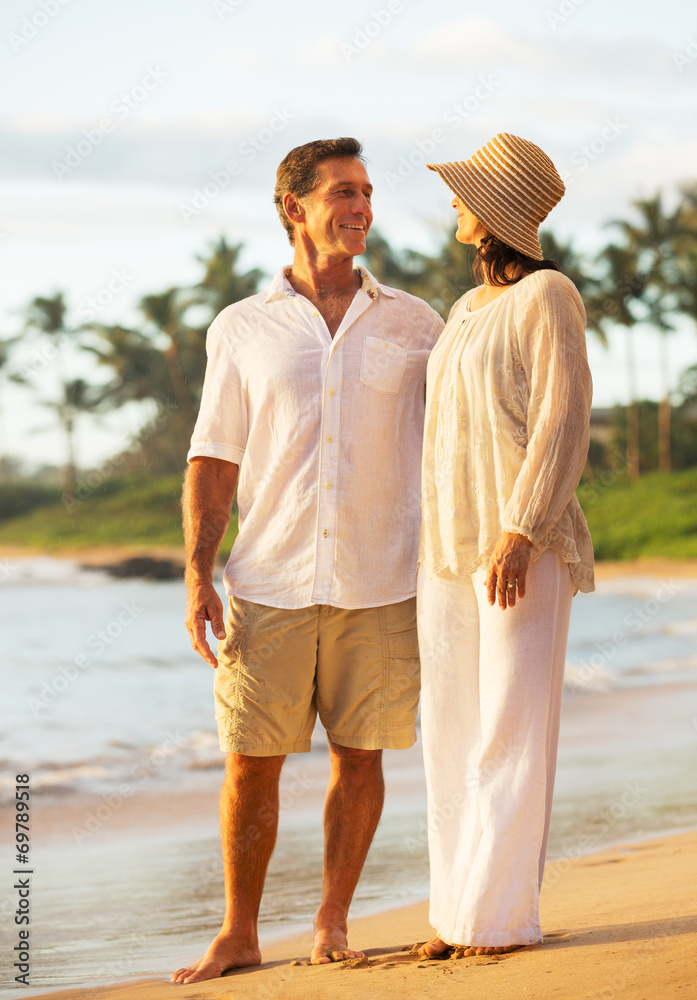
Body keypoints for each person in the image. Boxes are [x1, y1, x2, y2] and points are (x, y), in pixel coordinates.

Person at [171, 137, 444, 984]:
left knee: (359, 757)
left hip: (383, 578)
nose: (360, 207)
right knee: (250, 764)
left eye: (366, 193)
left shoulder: (415, 321)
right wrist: (196, 573)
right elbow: (213, 458)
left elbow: (450, 446)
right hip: (270, 580)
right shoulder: (242, 329)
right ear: (294, 208)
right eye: (341, 193)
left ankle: (332, 920)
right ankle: (240, 932)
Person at [416, 133, 595, 958]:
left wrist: (520, 530)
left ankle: (498, 918)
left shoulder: (548, 294)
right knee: (450, 729)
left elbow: (562, 418)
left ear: (495, 211)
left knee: (510, 730)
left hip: (518, 543)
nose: (452, 202)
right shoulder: (461, 309)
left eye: (464, 193)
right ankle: (456, 915)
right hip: (451, 550)